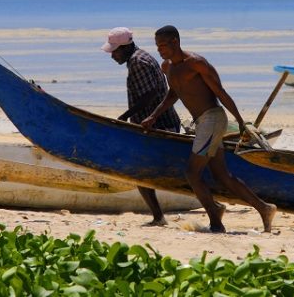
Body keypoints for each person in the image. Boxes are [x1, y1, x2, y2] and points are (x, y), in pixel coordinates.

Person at [141, 25, 276, 233]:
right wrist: (154, 115)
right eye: (157, 46)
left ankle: (215, 220)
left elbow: (220, 92)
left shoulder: (196, 63)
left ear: (175, 41)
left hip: (213, 118)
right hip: (202, 123)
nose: (159, 50)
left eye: (163, 45)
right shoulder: (167, 67)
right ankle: (264, 208)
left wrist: (241, 122)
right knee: (222, 175)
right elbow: (173, 94)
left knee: (192, 173)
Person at [101, 26, 181, 226]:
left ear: (125, 47)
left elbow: (150, 95)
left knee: (140, 171)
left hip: (158, 125)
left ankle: (158, 217)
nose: (112, 56)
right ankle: (158, 216)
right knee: (146, 172)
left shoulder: (138, 62)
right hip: (153, 125)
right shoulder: (139, 58)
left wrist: (125, 116)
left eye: (114, 51)